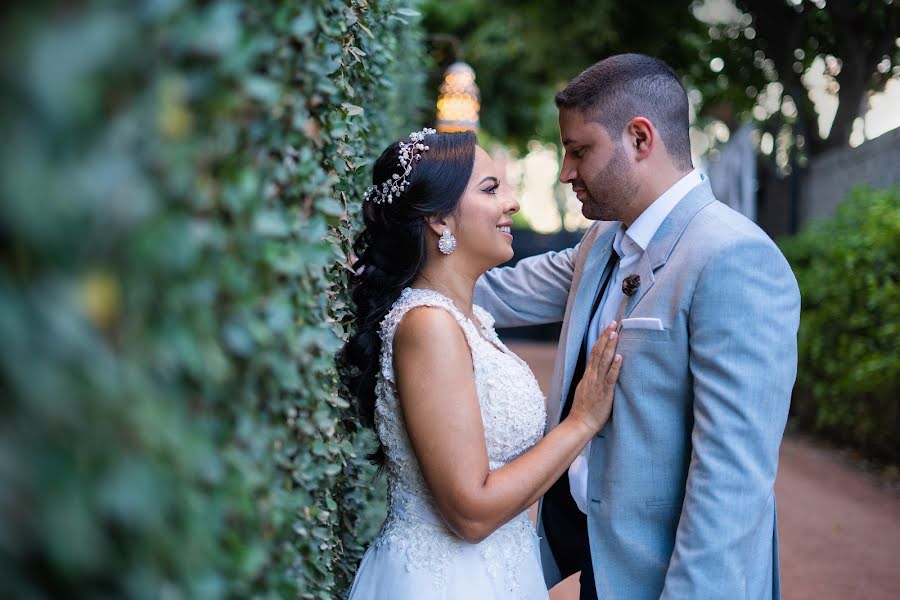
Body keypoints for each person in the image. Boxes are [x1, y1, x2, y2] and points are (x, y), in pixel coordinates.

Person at [474, 53, 801, 599]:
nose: (566, 172)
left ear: (640, 139)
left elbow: (732, 481)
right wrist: (394, 280)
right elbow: (497, 291)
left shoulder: (734, 257)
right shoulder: (602, 241)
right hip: (601, 566)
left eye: (579, 151)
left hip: (672, 579)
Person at [340, 128, 622, 599]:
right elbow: (470, 513)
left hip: (501, 575)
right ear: (438, 218)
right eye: (491, 189)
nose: (511, 203)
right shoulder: (428, 325)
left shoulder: (474, 322)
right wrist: (582, 422)